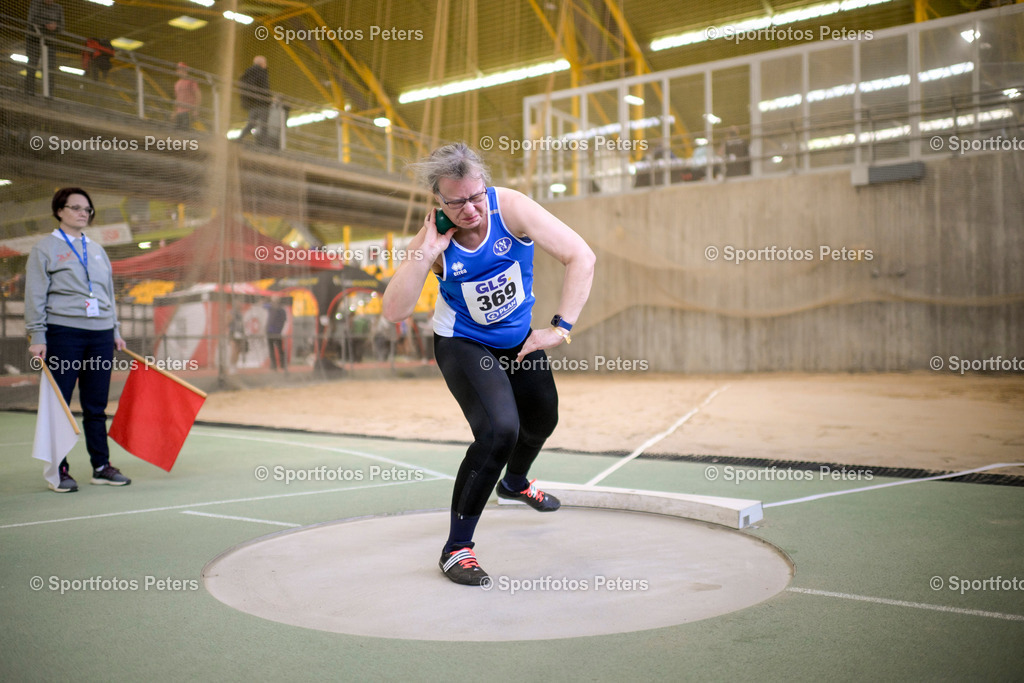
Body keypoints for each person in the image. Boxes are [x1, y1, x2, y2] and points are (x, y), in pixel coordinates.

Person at [382, 143, 596, 586]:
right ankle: (456, 548)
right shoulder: (431, 241)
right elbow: (393, 311)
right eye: (456, 202)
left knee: (543, 419)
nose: (470, 209)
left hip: (518, 340)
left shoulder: (512, 208)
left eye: (476, 196)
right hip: (463, 342)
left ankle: (514, 483)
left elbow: (582, 256)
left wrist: (559, 329)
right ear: (437, 200)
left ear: (486, 187)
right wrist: (426, 252)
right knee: (500, 430)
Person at [25, 188, 131, 492]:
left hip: (101, 334)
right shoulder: (44, 248)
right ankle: (58, 470)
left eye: (88, 209)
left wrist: (115, 331)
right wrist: (37, 334)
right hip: (63, 333)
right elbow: (35, 294)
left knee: (96, 404)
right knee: (59, 404)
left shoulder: (96, 249)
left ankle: (101, 466)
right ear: (59, 211)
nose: (83, 213)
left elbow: (107, 293)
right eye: (76, 208)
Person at [24, 0, 64, 96]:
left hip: (49, 42)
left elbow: (62, 26)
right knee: (32, 64)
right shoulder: (35, 3)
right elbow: (31, 20)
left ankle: (49, 95)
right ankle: (29, 91)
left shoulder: (58, 8)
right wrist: (46, 24)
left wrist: (55, 26)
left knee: (50, 67)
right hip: (34, 40)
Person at [237, 56, 270, 143]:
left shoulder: (248, 73)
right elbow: (264, 89)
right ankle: (262, 144)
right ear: (262, 63)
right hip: (262, 103)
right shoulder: (261, 72)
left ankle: (240, 138)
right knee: (264, 124)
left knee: (251, 123)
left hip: (252, 103)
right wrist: (269, 100)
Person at [173, 62, 201, 130]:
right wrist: (174, 112)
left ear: (185, 70)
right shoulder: (177, 84)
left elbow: (198, 95)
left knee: (185, 132)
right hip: (179, 113)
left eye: (180, 69)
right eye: (178, 69)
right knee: (177, 132)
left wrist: (196, 110)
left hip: (188, 111)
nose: (178, 71)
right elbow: (177, 99)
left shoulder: (191, 81)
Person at [265, 298, 288, 371]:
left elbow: (284, 320)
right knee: (273, 349)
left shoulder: (280, 310)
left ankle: (281, 364)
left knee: (279, 349)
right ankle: (275, 365)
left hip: (277, 332)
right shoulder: (271, 308)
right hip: (271, 332)